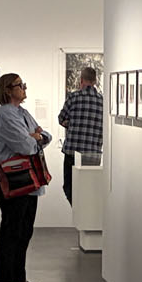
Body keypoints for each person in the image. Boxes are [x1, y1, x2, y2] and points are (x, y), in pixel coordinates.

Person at [0, 72, 52, 282]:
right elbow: (25, 145)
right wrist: (35, 137)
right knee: (12, 233)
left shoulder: (22, 113)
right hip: (15, 180)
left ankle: (20, 281)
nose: (24, 88)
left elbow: (46, 135)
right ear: (8, 90)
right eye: (20, 85)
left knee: (24, 232)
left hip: (29, 181)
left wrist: (37, 136)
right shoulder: (5, 115)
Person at [57, 65, 104, 204]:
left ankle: (77, 210)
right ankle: (86, 214)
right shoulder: (103, 101)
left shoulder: (73, 97)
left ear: (81, 80)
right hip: (93, 154)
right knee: (89, 190)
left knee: (69, 187)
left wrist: (71, 123)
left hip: (72, 152)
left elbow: (61, 118)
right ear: (95, 81)